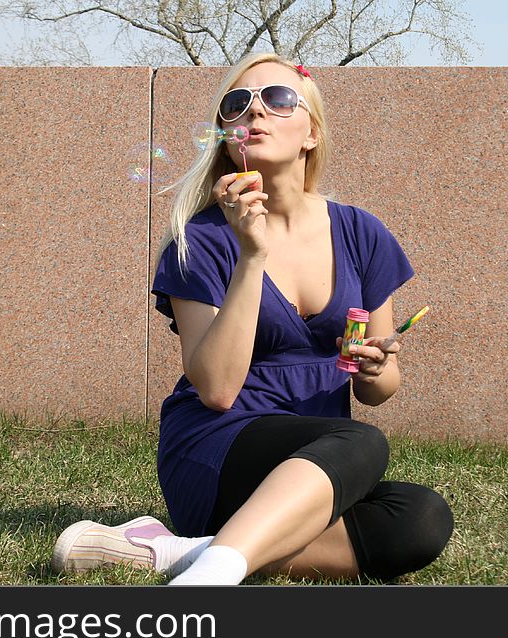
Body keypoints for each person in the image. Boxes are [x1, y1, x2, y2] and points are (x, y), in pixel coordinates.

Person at [51, 52, 453, 585]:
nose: (255, 112)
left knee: (420, 519)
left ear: (312, 131)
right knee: (363, 443)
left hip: (313, 462)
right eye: (237, 104)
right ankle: (207, 578)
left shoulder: (362, 234)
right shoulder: (201, 240)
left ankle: (181, 554)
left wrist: (377, 370)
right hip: (218, 447)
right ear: (226, 133)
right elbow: (216, 389)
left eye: (278, 99)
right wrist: (252, 255)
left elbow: (378, 392)